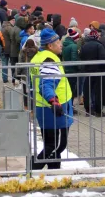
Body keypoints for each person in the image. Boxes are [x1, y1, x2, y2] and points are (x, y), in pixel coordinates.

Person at [30, 29, 73, 170]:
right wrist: (53, 101)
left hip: (44, 106)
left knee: (52, 144)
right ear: (50, 45)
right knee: (56, 145)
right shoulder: (49, 60)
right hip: (54, 108)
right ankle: (32, 170)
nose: (61, 44)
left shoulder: (37, 57)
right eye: (58, 42)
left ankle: (52, 171)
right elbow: (46, 84)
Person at [80, 29, 105, 117]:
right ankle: (97, 110)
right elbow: (103, 59)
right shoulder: (99, 46)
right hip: (97, 71)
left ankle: (88, 110)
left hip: (87, 71)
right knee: (98, 91)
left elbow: (81, 56)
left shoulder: (85, 45)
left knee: (87, 90)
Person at [62, 28, 81, 105]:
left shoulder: (65, 44)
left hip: (66, 69)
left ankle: (68, 106)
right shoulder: (73, 46)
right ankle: (70, 107)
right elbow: (74, 60)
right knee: (71, 90)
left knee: (67, 90)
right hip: (72, 71)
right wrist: (80, 67)